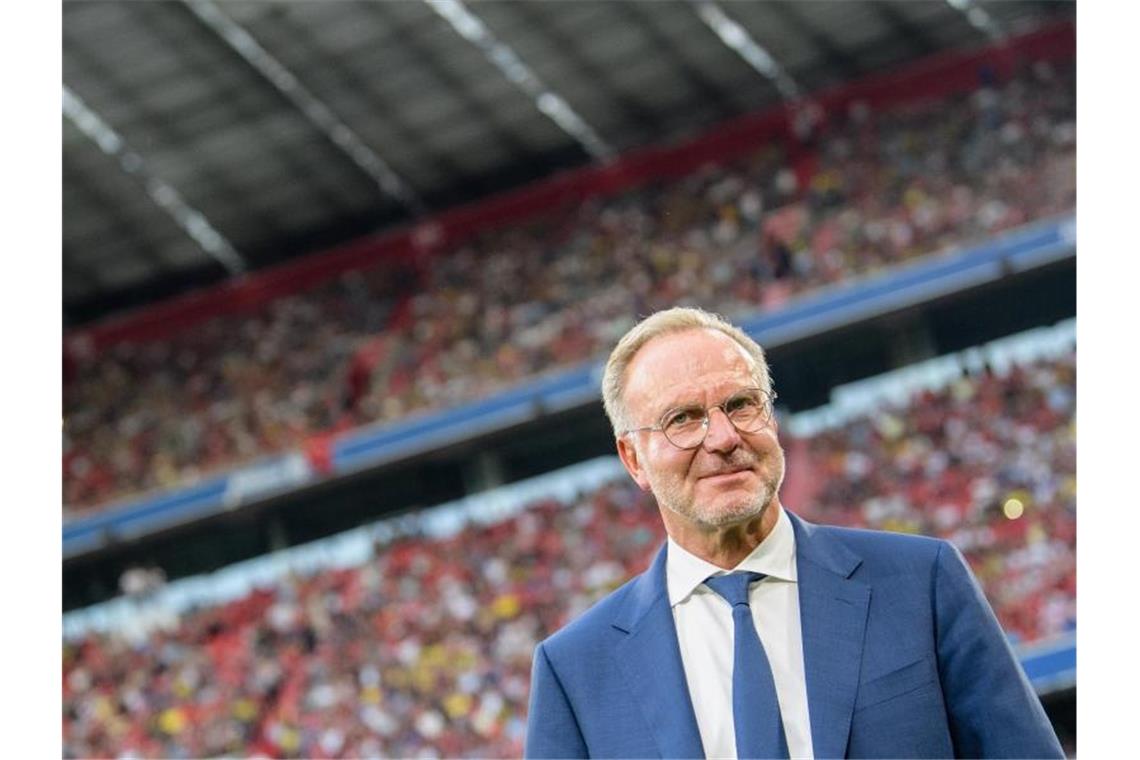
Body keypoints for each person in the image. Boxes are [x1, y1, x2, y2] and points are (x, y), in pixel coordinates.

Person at [525, 307, 1063, 759]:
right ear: (633, 458)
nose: (723, 437)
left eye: (740, 404)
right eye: (683, 419)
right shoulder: (575, 671)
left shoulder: (921, 583)